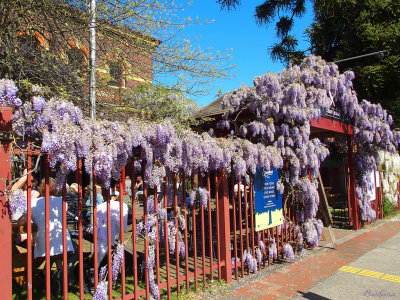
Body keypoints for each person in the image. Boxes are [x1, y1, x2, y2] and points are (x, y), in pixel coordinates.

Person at [31, 178, 75, 261]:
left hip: (42, 244)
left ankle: (53, 271)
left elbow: (23, 219)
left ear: (40, 189)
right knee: (74, 250)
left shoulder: (33, 203)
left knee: (54, 253)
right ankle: (59, 270)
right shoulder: (62, 202)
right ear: (56, 190)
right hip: (62, 243)